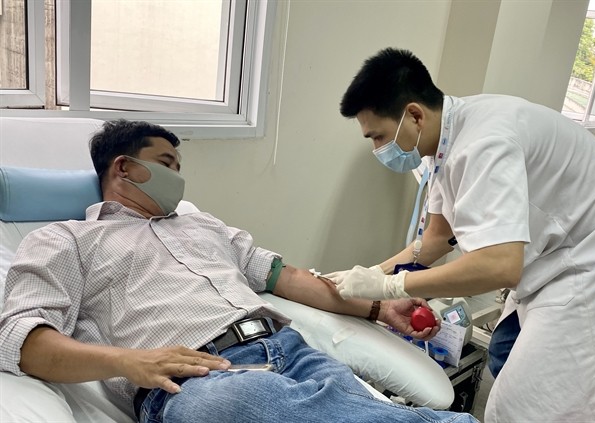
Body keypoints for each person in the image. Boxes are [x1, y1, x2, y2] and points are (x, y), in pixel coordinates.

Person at [0, 119, 478, 423]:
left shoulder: (204, 225)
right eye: (166, 162)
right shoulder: (64, 240)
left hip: (292, 351)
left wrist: (379, 307)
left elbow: (288, 278)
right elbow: (22, 340)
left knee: (345, 404)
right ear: (124, 168)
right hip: (197, 379)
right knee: (230, 405)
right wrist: (128, 363)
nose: (179, 176)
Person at [328, 48, 595, 422]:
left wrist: (391, 287)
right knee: (504, 349)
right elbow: (437, 238)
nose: (379, 149)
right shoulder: (446, 139)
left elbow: (499, 267)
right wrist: (371, 274)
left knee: (522, 408)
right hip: (564, 252)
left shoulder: (482, 145)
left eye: (378, 137)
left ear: (413, 114)